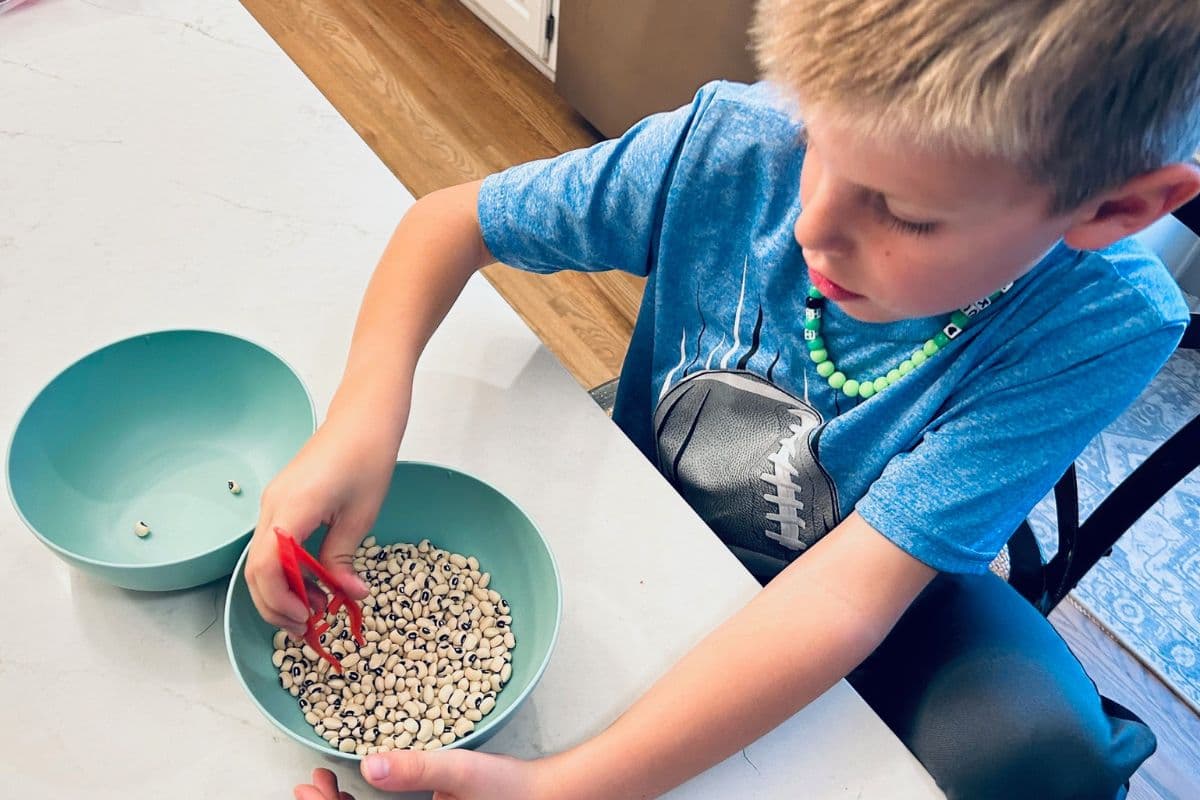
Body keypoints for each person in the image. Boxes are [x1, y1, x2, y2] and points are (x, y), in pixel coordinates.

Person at [259, 1, 1200, 797]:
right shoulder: (736, 144)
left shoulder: (1104, 321)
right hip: (660, 499)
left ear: (1114, 212)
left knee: (1041, 756)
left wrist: (570, 784)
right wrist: (361, 419)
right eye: (816, 142)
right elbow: (449, 222)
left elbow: (844, 603)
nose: (812, 225)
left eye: (906, 213)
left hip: (879, 581)